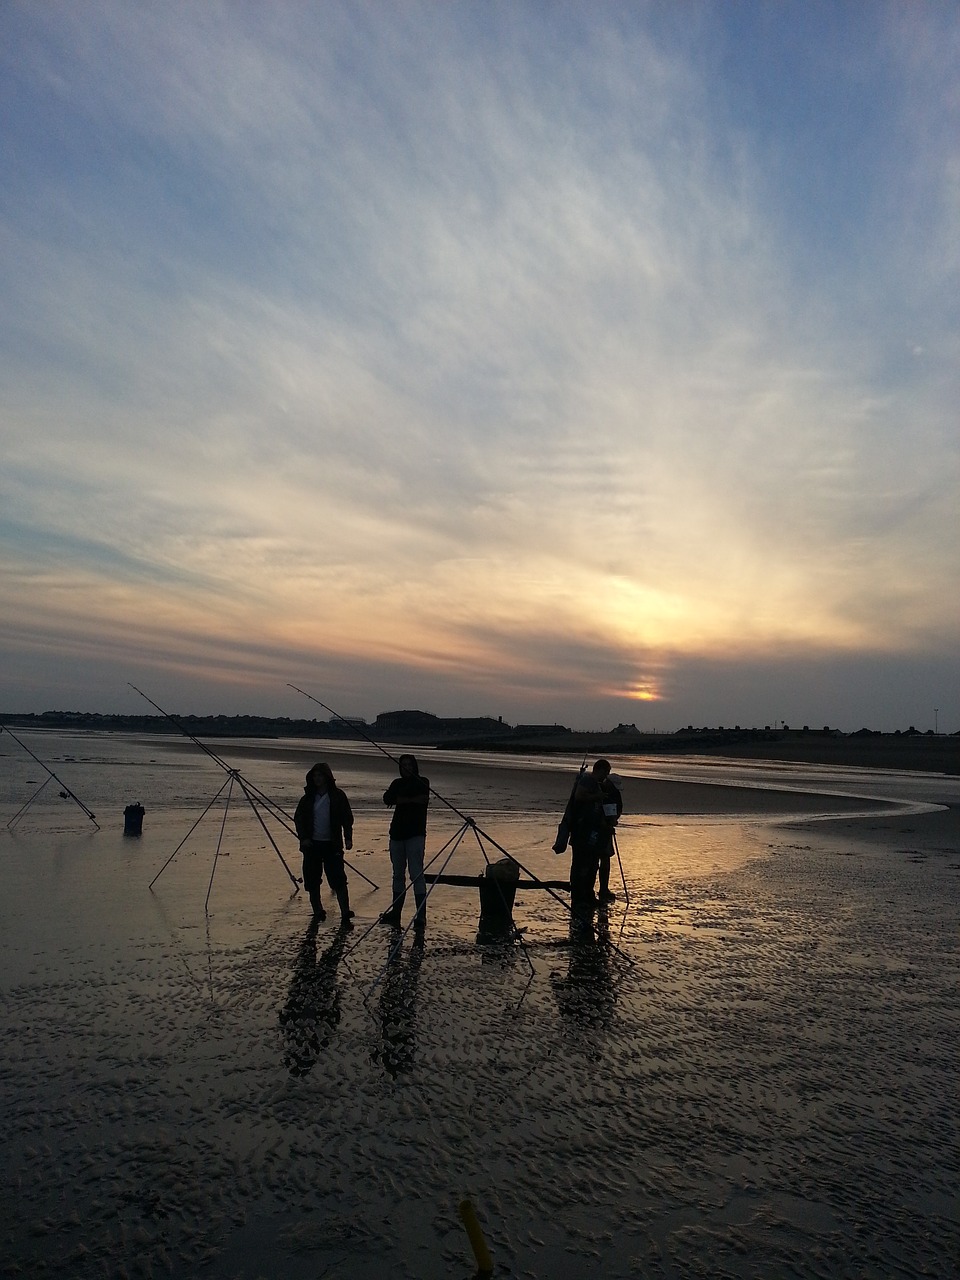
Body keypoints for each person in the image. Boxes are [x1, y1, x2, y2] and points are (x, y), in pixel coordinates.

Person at [293, 762, 355, 924]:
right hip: (312, 845)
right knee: (312, 879)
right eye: (315, 776)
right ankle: (318, 910)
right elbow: (299, 818)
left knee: (338, 879)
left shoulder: (338, 796)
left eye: (320, 775)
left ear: (327, 777)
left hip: (332, 844)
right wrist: (304, 838)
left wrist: (348, 837)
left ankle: (345, 911)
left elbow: (346, 818)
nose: (317, 779)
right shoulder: (307, 799)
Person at [379, 753, 430, 930]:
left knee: (416, 874)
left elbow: (421, 799)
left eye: (409, 764)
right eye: (403, 765)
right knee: (397, 874)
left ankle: (421, 916)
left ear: (414, 766)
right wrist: (407, 800)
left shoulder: (422, 781)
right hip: (397, 834)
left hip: (415, 834)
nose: (406, 767)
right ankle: (396, 912)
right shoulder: (396, 783)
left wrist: (401, 799)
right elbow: (387, 799)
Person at [567, 759, 621, 909]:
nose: (607, 775)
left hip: (592, 832)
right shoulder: (587, 780)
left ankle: (588, 895)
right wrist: (597, 797)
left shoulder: (597, 784)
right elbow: (579, 796)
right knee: (581, 864)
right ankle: (579, 895)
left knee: (591, 864)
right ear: (601, 770)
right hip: (582, 831)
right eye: (607, 772)